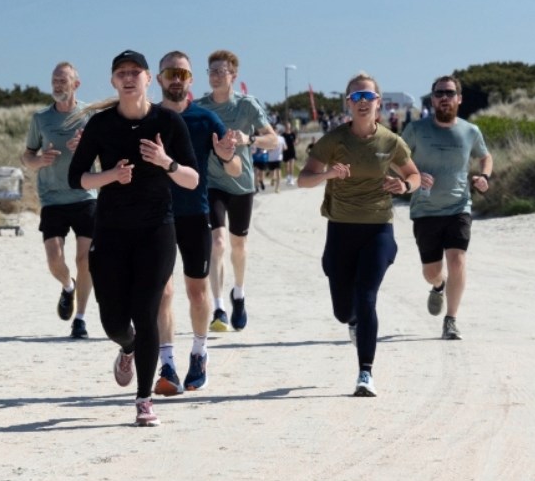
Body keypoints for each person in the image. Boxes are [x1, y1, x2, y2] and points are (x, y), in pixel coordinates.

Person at [68, 50, 199, 426]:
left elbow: (192, 179)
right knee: (113, 321)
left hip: (156, 230)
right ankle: (127, 347)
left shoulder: (168, 122)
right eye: (121, 73)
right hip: (111, 230)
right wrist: (111, 175)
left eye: (135, 72)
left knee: (146, 312)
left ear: (148, 79)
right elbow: (77, 178)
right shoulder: (101, 125)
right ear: (113, 80)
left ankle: (143, 399)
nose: (128, 78)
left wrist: (165, 162)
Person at [297, 72, 420, 397]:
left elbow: (414, 176)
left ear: (379, 102)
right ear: (348, 103)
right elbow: (303, 179)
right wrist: (327, 174)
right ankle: (353, 323)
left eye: (368, 97)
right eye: (356, 97)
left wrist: (404, 185)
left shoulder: (391, 141)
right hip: (340, 230)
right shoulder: (334, 140)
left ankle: (365, 372)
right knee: (343, 311)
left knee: (366, 297)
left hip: (378, 229)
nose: (362, 102)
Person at [151, 52, 241, 396]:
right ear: (159, 78)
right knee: (163, 291)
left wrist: (227, 155)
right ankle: (167, 364)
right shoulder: (148, 118)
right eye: (171, 73)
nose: (177, 79)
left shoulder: (205, 119)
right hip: (156, 216)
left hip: (193, 213)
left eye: (183, 74)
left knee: (197, 292)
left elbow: (235, 169)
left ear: (191, 80)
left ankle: (200, 353)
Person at [401, 76, 493, 341]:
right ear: (432, 99)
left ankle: (450, 320)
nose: (444, 97)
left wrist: (484, 177)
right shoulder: (416, 129)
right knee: (431, 272)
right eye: (439, 93)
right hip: (425, 210)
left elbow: (485, 156)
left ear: (459, 99)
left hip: (458, 207)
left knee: (457, 259)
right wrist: (414, 175)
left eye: (450, 93)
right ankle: (439, 285)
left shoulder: (470, 131)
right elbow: (397, 159)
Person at [197, 50, 280, 332]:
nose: (215, 76)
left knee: (238, 246)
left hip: (242, 184)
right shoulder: (200, 107)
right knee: (217, 243)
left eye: (221, 71)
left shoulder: (247, 105)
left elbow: (273, 140)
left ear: (233, 75)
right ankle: (219, 308)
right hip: (212, 183)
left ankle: (239, 294)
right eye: (211, 71)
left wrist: (249, 138)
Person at [21, 62, 96, 339]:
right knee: (54, 259)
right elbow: (27, 156)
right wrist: (39, 160)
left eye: (63, 80)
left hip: (85, 195)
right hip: (52, 198)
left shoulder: (89, 115)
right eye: (54, 80)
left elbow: (104, 154)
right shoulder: (41, 118)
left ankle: (80, 319)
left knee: (84, 259)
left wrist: (85, 148)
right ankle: (68, 287)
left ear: (76, 84)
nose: (57, 85)